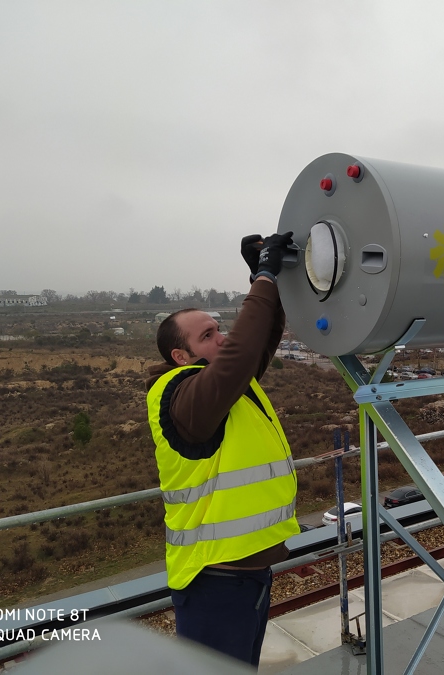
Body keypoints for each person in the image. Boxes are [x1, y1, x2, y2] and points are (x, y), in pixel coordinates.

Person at [144, 232, 300, 667]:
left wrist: (266, 278)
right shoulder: (184, 398)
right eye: (208, 334)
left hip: (244, 579)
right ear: (181, 355)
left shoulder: (227, 388)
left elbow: (257, 343)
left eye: (220, 328)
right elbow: (241, 354)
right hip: (214, 582)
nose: (223, 338)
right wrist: (263, 279)